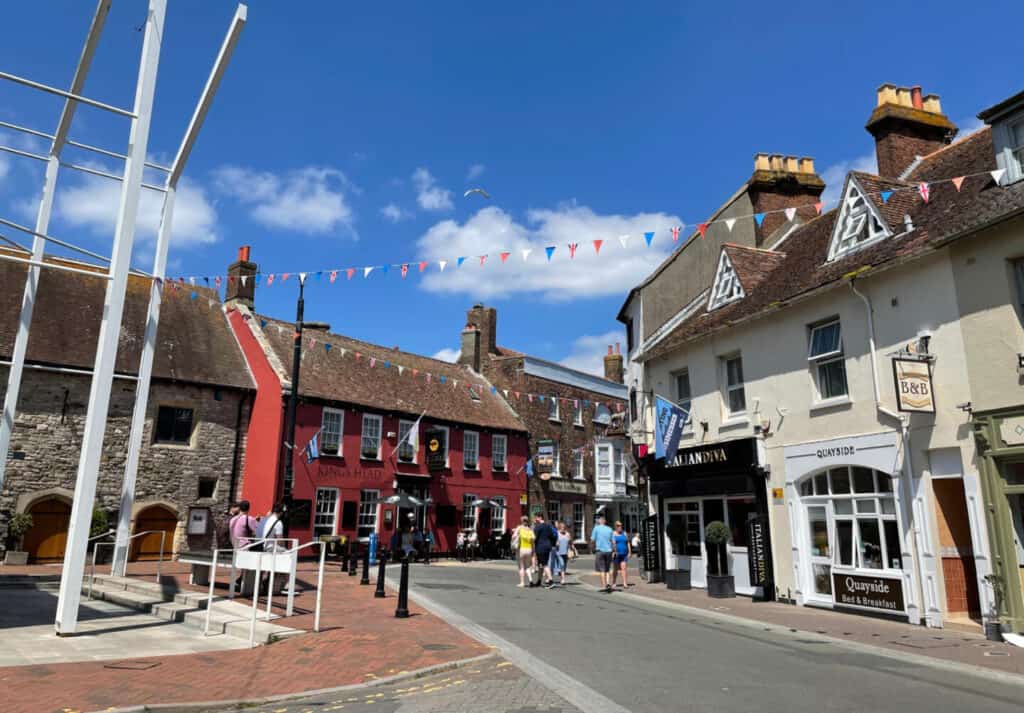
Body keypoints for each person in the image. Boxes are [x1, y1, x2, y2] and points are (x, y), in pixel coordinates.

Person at [590, 515, 615, 592]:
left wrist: (592, 548)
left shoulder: (596, 528)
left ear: (600, 521)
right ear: (605, 521)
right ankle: (608, 583)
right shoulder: (610, 529)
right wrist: (614, 551)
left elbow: (592, 540)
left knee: (602, 570)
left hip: (600, 551)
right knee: (607, 569)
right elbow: (613, 542)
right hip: (609, 551)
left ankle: (604, 585)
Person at [532, 513, 558, 587]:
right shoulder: (548, 526)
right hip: (547, 547)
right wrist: (552, 545)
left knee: (544, 564)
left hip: (540, 547)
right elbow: (553, 537)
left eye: (536, 518)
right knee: (540, 565)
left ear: (540, 518)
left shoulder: (537, 527)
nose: (535, 520)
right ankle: (539, 581)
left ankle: (551, 581)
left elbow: (534, 538)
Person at [511, 516, 535, 588]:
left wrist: (515, 535)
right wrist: (533, 550)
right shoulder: (530, 530)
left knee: (521, 566)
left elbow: (513, 537)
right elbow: (533, 539)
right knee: (527, 566)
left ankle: (522, 582)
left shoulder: (519, 528)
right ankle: (530, 580)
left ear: (521, 521)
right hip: (529, 549)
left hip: (521, 549)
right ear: (527, 521)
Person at [550, 520, 574, 587]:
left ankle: (561, 577)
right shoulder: (557, 533)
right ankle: (563, 579)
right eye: (561, 527)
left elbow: (570, 542)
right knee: (562, 564)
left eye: (564, 527)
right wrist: (556, 543)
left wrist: (572, 549)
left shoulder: (567, 534)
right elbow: (553, 542)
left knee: (564, 566)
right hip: (558, 552)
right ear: (559, 527)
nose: (563, 528)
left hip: (565, 553)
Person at [611, 521, 632, 589]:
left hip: (624, 554)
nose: (619, 527)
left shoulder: (624, 533)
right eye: (618, 526)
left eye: (620, 525)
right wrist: (615, 551)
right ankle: (614, 582)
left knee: (624, 568)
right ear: (615, 526)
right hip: (617, 554)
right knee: (615, 569)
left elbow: (628, 543)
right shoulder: (613, 534)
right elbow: (613, 544)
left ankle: (625, 583)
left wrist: (629, 552)